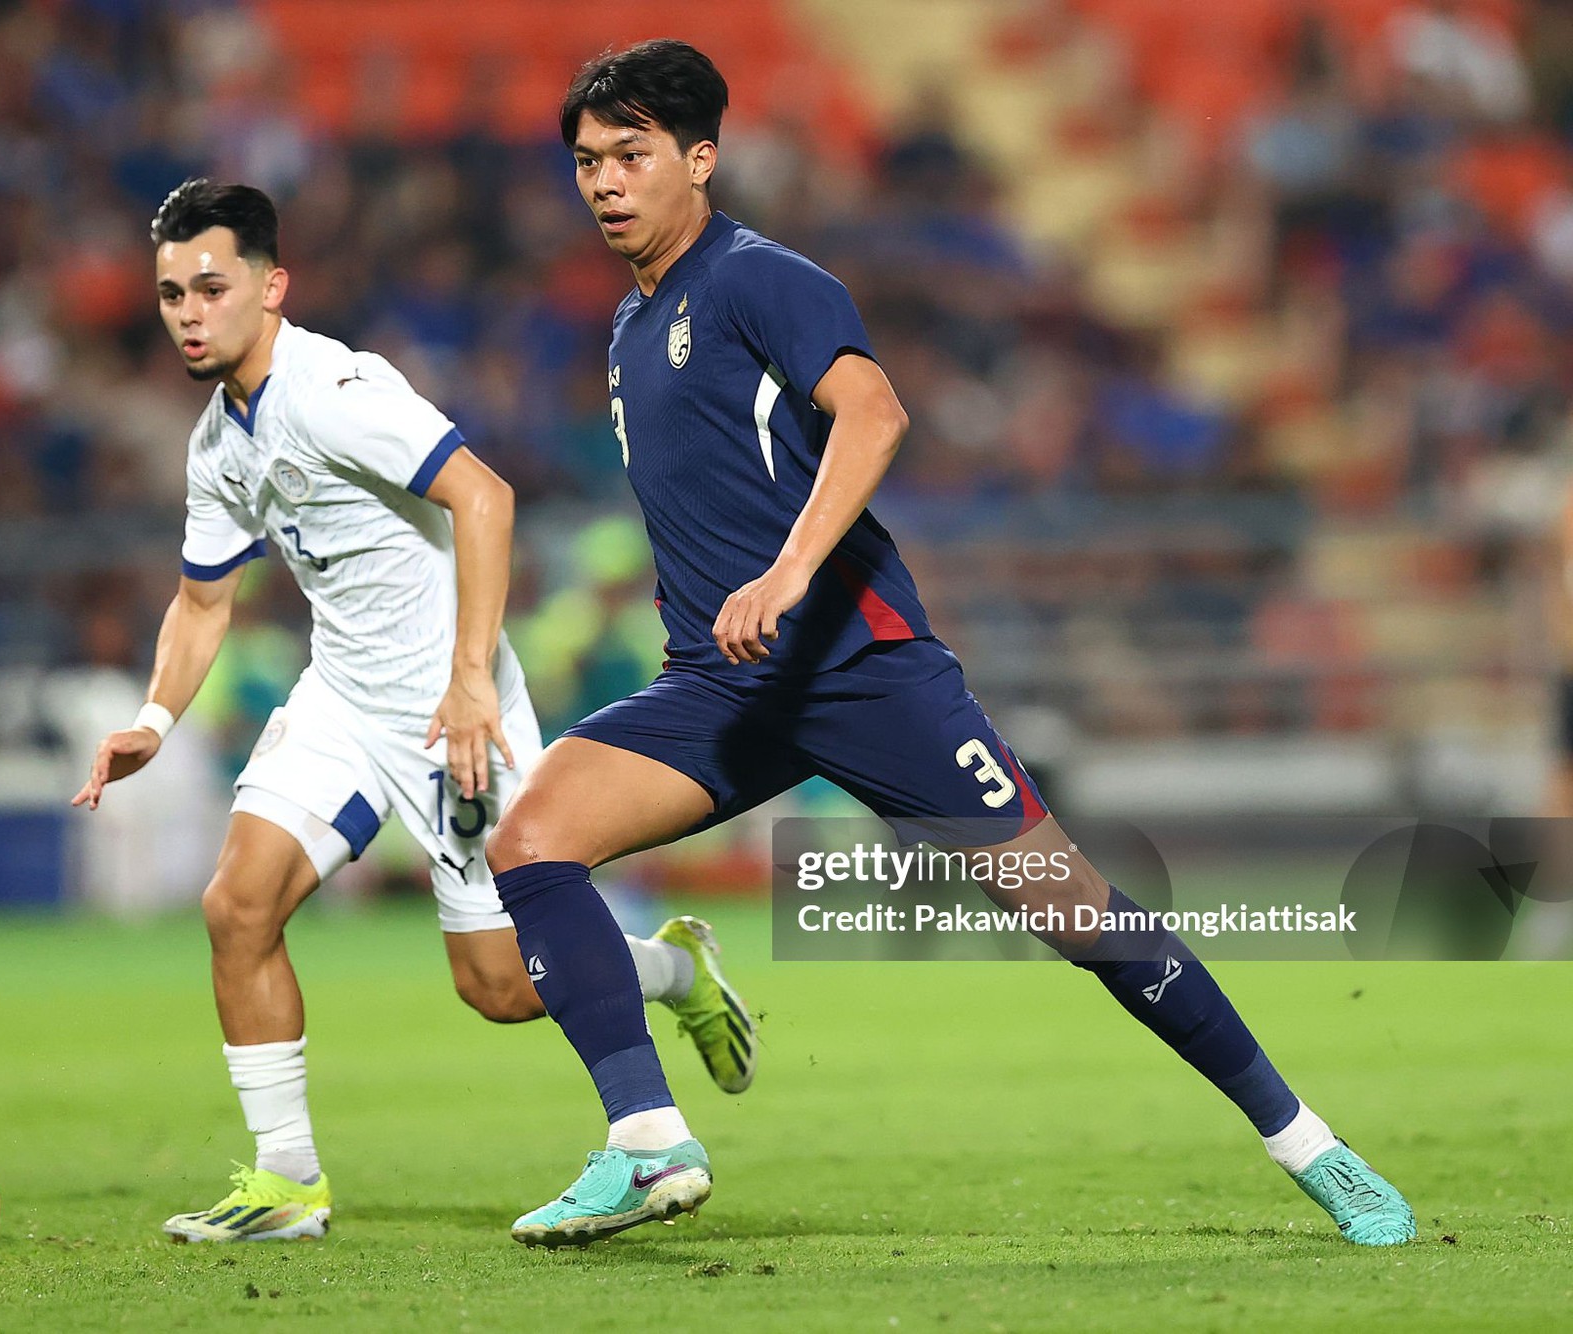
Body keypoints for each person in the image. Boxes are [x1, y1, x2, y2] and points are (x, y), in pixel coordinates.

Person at [484, 40, 1415, 1249]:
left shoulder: (762, 278)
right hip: (719, 684)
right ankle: (648, 1142)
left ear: (699, 158)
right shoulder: (626, 327)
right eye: (586, 162)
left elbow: (874, 413)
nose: (603, 181)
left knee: (1076, 913)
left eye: (631, 154)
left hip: (861, 671)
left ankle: (1313, 1147)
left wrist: (787, 570)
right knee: (533, 837)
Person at [70, 179, 758, 1243]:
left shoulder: (335, 387)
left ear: (270, 284)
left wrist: (471, 676)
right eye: (170, 294)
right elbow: (205, 598)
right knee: (235, 906)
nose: (189, 312)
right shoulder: (217, 440)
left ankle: (670, 965)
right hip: (342, 698)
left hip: (451, 713)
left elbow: (483, 493)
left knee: (496, 986)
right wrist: (153, 722)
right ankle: (285, 1180)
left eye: (211, 285)